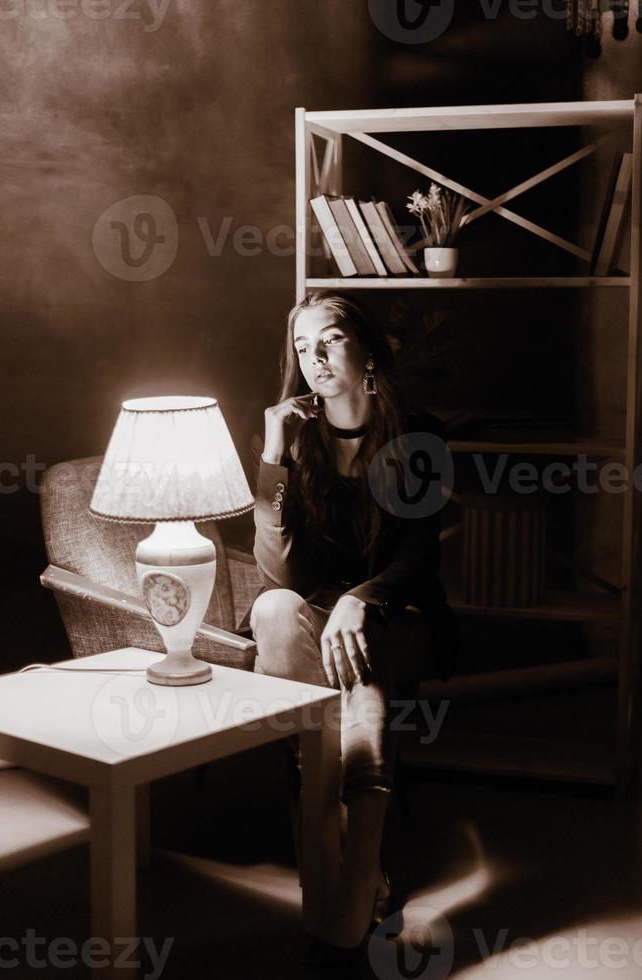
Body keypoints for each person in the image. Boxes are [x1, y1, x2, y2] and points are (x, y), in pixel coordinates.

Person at [249, 290, 457, 976]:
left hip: (399, 616)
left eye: (329, 341)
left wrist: (362, 598)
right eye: (303, 348)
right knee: (274, 611)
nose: (315, 360)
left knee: (358, 675)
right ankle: (353, 891)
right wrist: (273, 459)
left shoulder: (417, 434)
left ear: (366, 348)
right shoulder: (300, 442)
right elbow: (283, 571)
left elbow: (419, 558)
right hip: (314, 620)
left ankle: (343, 887)